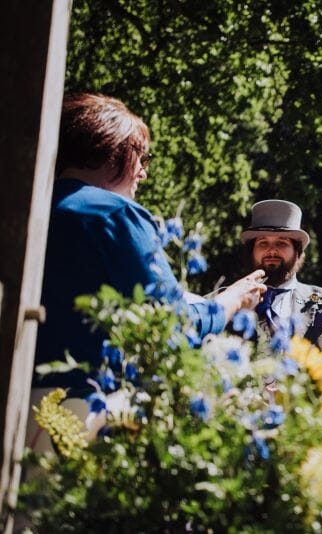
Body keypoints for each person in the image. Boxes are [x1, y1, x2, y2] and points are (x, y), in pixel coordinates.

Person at [31, 93, 265, 449]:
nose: (144, 171)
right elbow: (173, 326)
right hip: (80, 416)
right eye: (141, 157)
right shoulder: (114, 214)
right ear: (114, 151)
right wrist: (229, 301)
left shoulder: (30, 205)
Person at [241, 199, 322, 400]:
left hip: (306, 422)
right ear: (252, 251)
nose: (272, 250)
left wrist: (297, 395)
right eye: (263, 243)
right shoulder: (225, 300)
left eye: (281, 243)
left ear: (298, 252)